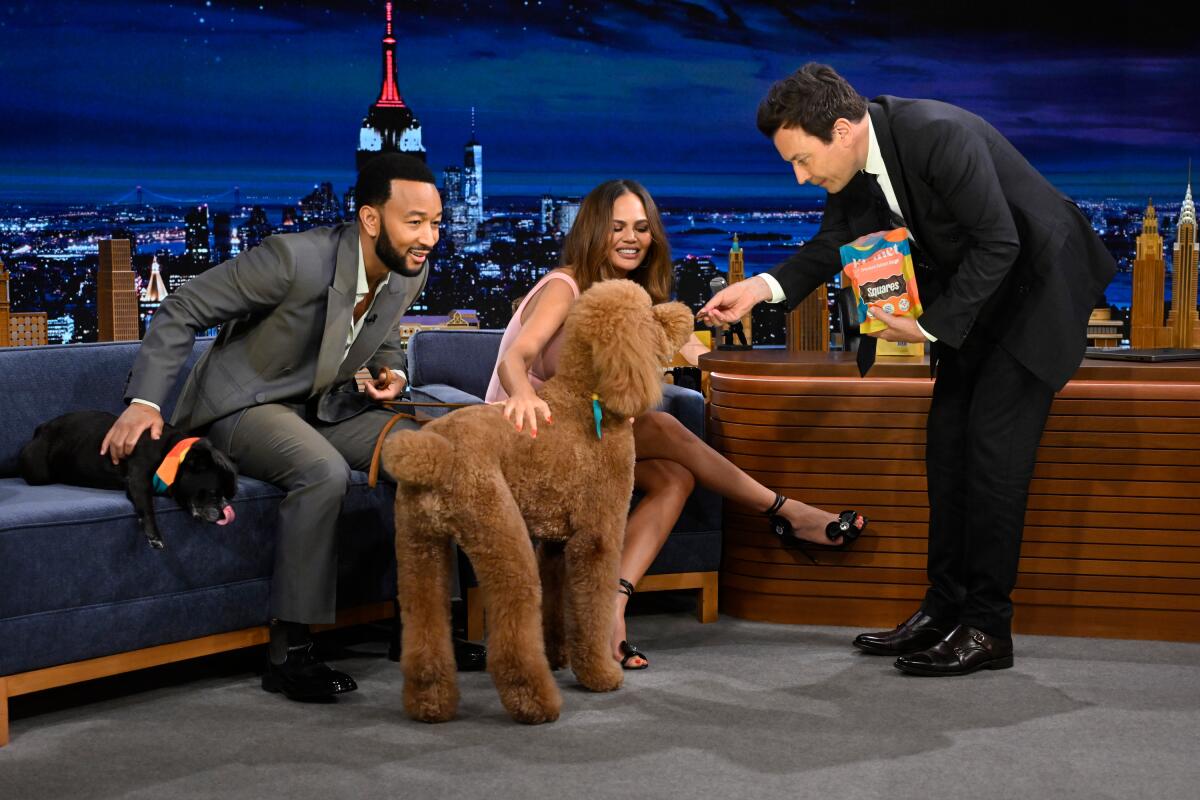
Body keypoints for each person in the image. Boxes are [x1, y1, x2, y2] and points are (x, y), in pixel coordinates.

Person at [699, 63, 1116, 676]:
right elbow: (830, 246)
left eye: (801, 159)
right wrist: (759, 290)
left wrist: (926, 327)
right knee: (948, 453)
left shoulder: (936, 133)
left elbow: (1000, 241)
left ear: (841, 130)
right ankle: (944, 608)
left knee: (993, 462)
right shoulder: (854, 166)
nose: (800, 175)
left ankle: (987, 627)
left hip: (1033, 293)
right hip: (974, 304)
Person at [101, 153, 484, 701]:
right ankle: (290, 650)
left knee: (432, 455)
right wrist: (144, 402)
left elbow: (387, 330)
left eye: (437, 222)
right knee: (321, 471)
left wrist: (393, 370)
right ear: (372, 220)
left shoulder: (409, 268)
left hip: (324, 406)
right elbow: (183, 306)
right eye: (415, 222)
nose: (430, 236)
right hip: (240, 408)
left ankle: (423, 630)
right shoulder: (293, 259)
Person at [487, 179, 867, 670]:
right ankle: (787, 512)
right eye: (617, 226)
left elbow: (677, 356)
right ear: (592, 231)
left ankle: (612, 608)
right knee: (663, 428)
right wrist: (521, 394)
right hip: (527, 433)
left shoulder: (628, 296)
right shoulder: (566, 286)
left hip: (580, 435)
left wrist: (709, 330)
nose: (631, 237)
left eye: (642, 228)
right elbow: (515, 357)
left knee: (675, 477)